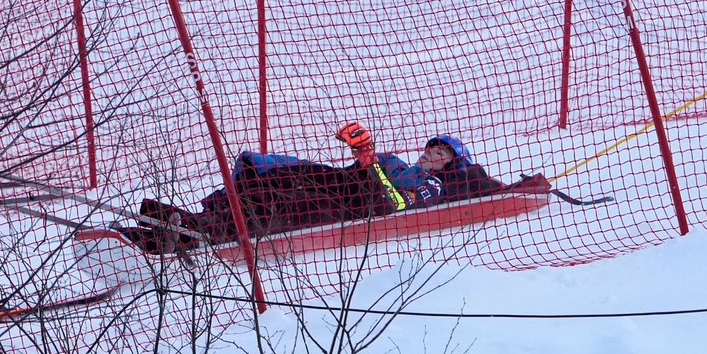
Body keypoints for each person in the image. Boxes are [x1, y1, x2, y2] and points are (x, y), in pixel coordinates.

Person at [129, 123, 490, 250]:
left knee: (290, 203)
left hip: (356, 207)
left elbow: (394, 205)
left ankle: (200, 232)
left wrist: (368, 161)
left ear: (454, 162)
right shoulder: (402, 164)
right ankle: (193, 218)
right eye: (428, 150)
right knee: (280, 178)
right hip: (347, 183)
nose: (429, 156)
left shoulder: (433, 186)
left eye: (439, 153)